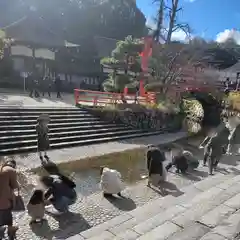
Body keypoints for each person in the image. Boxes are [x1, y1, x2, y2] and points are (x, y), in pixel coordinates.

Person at [0, 160, 19, 239]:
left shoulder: (1, 168)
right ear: (14, 165)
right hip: (4, 201)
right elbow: (15, 186)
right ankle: (11, 232)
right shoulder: (11, 170)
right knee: (8, 216)